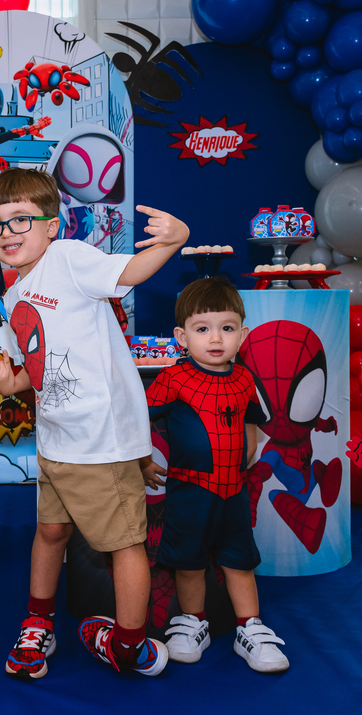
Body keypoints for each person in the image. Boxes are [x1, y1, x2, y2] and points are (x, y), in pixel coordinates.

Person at [0, 167, 189, 679]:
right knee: (50, 532)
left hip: (98, 442)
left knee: (123, 544)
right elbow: (35, 371)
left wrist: (175, 240)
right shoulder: (14, 294)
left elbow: (130, 273)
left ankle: (130, 645)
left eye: (20, 219)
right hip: (56, 441)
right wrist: (7, 381)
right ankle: (38, 622)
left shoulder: (68, 259)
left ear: (52, 225)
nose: (6, 232)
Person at [145, 277, 289, 673]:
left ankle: (250, 627)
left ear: (242, 334)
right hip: (189, 491)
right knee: (189, 561)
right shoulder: (173, 378)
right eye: (202, 328)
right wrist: (141, 460)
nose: (215, 338)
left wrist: (250, 446)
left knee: (240, 560)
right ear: (181, 336)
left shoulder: (244, 378)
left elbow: (252, 418)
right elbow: (138, 418)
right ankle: (193, 623)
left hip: (234, 491)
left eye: (226, 328)